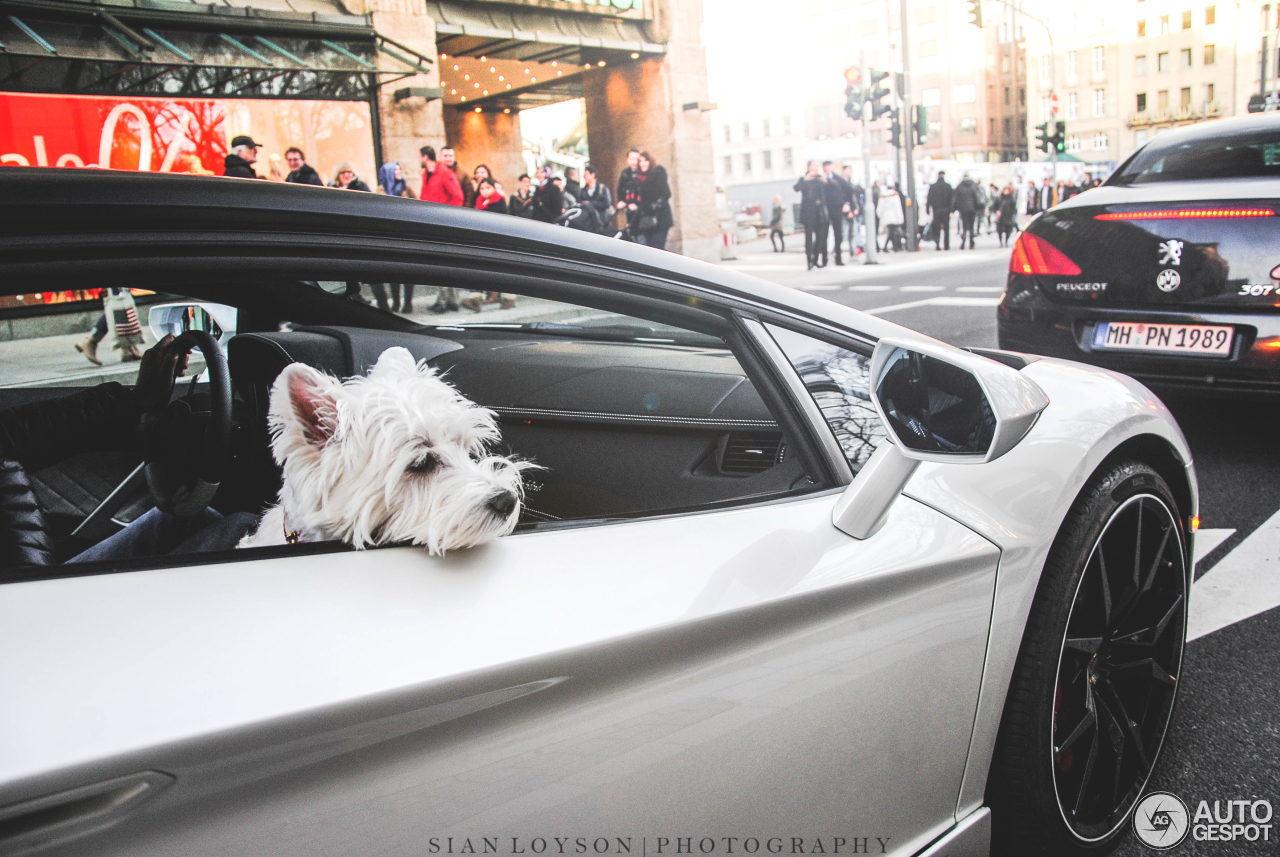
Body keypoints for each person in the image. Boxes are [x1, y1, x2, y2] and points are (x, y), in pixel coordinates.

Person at [1, 335, 260, 566]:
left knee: (185, 518)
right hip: (31, 596)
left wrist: (136, 400)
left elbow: (18, 433)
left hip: (29, 572)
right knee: (244, 528)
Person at [419, 146, 464, 313]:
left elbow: (458, 197)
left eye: (419, 157)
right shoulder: (427, 175)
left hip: (443, 224)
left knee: (442, 263)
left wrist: (446, 218)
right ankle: (452, 301)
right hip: (432, 224)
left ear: (425, 157)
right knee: (445, 263)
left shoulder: (444, 173)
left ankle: (443, 301)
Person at [634, 152, 674, 250]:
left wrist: (655, 205)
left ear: (650, 161)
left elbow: (666, 193)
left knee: (657, 248)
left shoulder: (658, 172)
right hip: (646, 221)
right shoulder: (639, 178)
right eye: (640, 161)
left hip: (660, 218)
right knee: (648, 249)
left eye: (645, 160)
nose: (642, 163)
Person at [794, 161, 829, 269]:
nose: (816, 168)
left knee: (820, 237)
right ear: (809, 167)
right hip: (808, 212)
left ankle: (815, 259)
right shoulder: (803, 179)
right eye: (814, 166)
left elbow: (827, 188)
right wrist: (805, 179)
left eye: (817, 166)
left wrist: (824, 180)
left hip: (819, 212)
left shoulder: (819, 178)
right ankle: (809, 261)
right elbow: (796, 188)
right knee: (808, 238)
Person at [821, 161, 854, 266]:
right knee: (823, 235)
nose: (826, 169)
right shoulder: (820, 179)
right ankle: (824, 259)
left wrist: (847, 203)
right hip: (825, 209)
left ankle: (838, 258)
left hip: (837, 208)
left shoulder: (838, 179)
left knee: (838, 234)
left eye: (828, 166)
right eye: (825, 167)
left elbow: (849, 190)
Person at [577, 165, 613, 233]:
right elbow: (579, 202)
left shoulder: (602, 188)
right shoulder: (583, 190)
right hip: (587, 223)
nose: (584, 177)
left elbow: (607, 203)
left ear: (593, 175)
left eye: (586, 175)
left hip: (601, 222)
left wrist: (590, 203)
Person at [953, 172, 983, 250]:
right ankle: (971, 242)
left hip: (963, 209)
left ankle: (963, 240)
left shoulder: (959, 186)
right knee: (971, 226)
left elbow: (955, 198)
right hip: (972, 209)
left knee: (964, 225)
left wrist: (954, 208)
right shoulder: (974, 185)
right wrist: (978, 207)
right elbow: (977, 197)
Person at [616, 148, 642, 235]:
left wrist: (637, 205)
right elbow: (620, 190)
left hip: (642, 214)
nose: (634, 162)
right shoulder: (625, 173)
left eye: (637, 159)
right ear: (627, 160)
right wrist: (621, 201)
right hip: (630, 214)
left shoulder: (644, 172)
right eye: (632, 159)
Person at [925, 170, 953, 251]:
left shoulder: (933, 186)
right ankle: (946, 245)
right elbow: (951, 199)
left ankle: (937, 243)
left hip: (936, 210)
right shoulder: (948, 186)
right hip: (946, 210)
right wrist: (951, 209)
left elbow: (929, 198)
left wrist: (927, 208)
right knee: (946, 228)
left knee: (936, 228)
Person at [876, 184, 905, 252]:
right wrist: (900, 219)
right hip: (894, 217)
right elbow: (898, 208)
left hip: (886, 217)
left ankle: (890, 247)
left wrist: (880, 216)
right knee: (892, 233)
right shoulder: (895, 196)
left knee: (891, 232)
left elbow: (880, 209)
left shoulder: (882, 196)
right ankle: (889, 247)